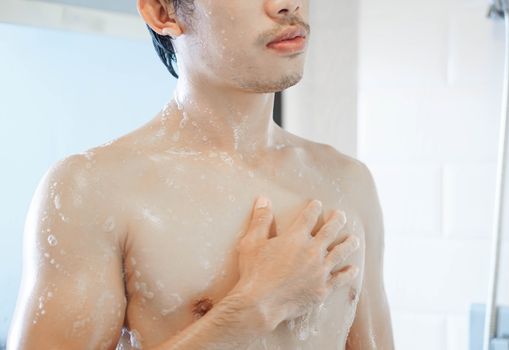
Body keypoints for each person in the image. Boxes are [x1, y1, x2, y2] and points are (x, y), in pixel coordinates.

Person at [7, 0, 395, 348]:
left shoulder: (348, 183)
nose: (286, 5)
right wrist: (252, 308)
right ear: (163, 12)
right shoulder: (94, 191)